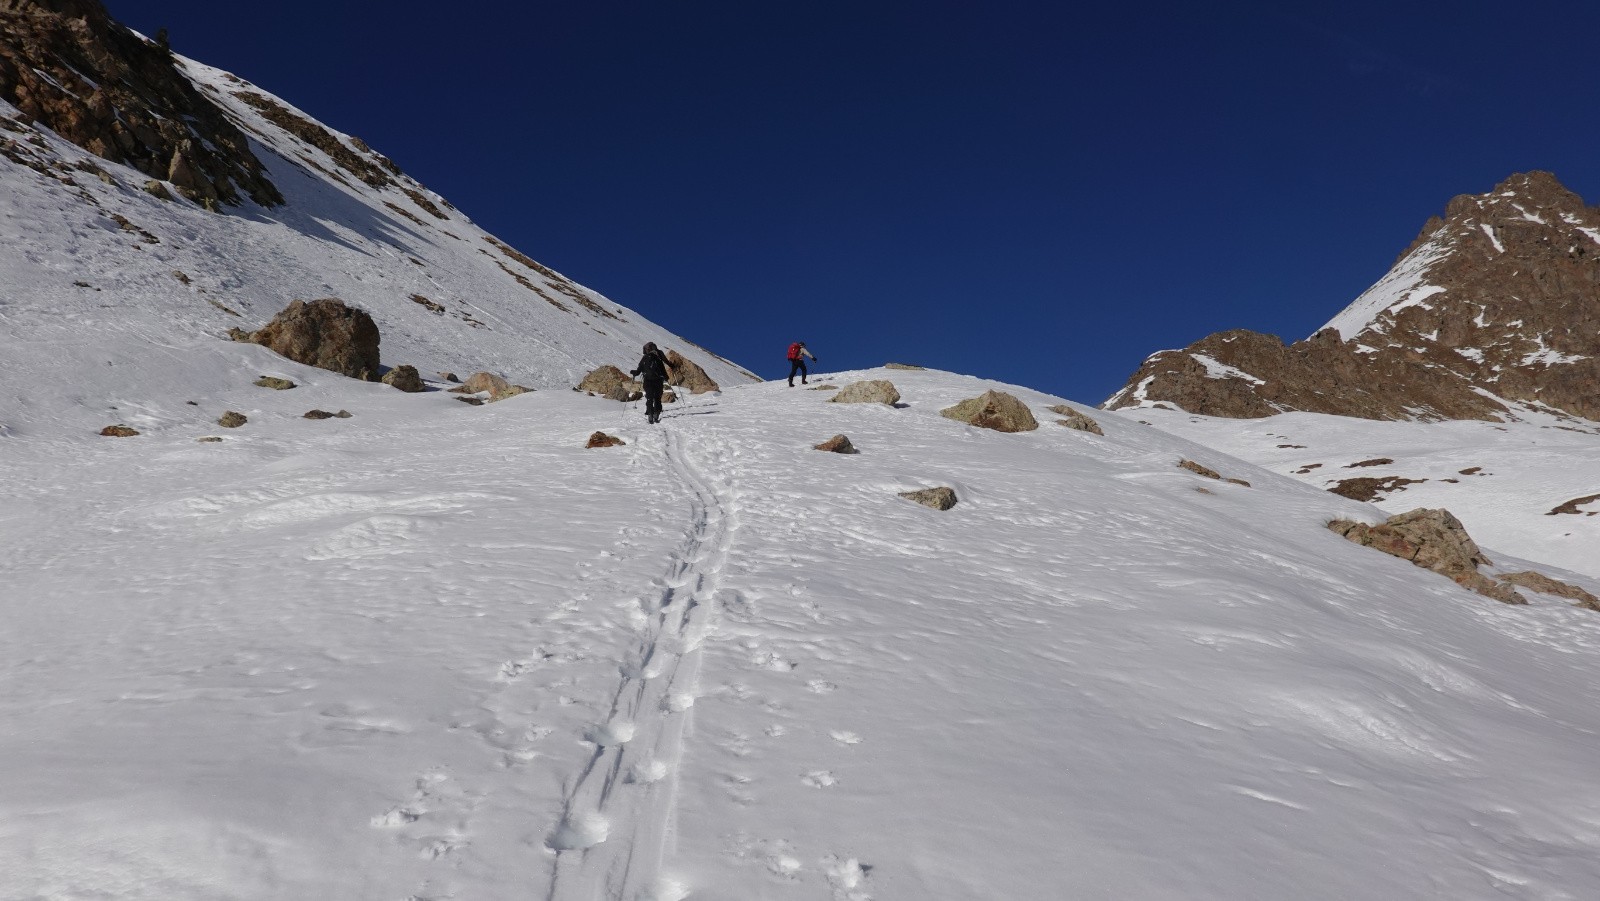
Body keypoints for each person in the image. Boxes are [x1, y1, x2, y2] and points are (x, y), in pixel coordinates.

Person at [631, 342, 672, 424]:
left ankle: (650, 413)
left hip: (648, 381)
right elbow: (663, 371)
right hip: (658, 381)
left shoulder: (644, 358)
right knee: (657, 398)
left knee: (649, 397)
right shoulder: (658, 358)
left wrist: (633, 372)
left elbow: (638, 371)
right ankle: (656, 413)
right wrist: (666, 378)